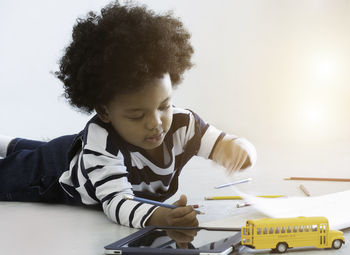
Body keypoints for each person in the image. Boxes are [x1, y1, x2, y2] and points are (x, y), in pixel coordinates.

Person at [0, 1, 256, 229]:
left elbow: (223, 143)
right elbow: (118, 204)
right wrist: (160, 217)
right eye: (137, 115)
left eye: (164, 106)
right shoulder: (101, 147)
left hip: (77, 149)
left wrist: (237, 149)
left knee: (42, 149)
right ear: (104, 112)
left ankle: (8, 142)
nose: (156, 123)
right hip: (57, 173)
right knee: (30, 164)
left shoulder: (183, 125)